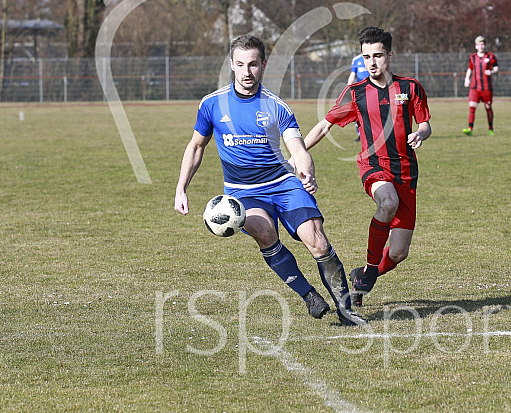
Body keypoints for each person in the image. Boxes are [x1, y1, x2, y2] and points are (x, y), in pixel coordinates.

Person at [174, 34, 365, 326]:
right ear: (232, 65)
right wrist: (181, 188)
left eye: (253, 64)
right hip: (242, 192)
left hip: (283, 184)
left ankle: (346, 309)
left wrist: (306, 171)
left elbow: (298, 148)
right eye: (240, 64)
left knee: (317, 242)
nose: (247, 72)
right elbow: (196, 146)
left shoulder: (276, 106)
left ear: (263, 65)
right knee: (265, 235)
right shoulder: (212, 104)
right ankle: (309, 295)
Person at [303, 26, 432, 306]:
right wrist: (296, 154)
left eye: (378, 56)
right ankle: (371, 270)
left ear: (390, 56)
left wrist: (420, 134)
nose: (371, 63)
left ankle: (361, 277)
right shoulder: (355, 93)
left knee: (398, 253)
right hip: (374, 166)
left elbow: (425, 124)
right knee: (387, 202)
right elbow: (325, 126)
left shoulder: (410, 88)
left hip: (407, 172)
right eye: (366, 57)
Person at [463, 36, 499, 136]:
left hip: (487, 88)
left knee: (488, 107)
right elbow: (470, 69)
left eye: (483, 44)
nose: (481, 46)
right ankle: (470, 128)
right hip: (474, 87)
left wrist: (491, 71)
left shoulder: (491, 56)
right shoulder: (472, 57)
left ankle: (491, 128)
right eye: (479, 44)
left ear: (485, 45)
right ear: (476, 46)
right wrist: (467, 79)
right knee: (472, 107)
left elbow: (496, 69)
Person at [347, 53, 369, 141]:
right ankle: (360, 134)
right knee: (358, 112)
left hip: (372, 89)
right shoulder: (356, 59)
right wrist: (349, 86)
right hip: (359, 90)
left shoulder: (372, 57)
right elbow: (353, 74)